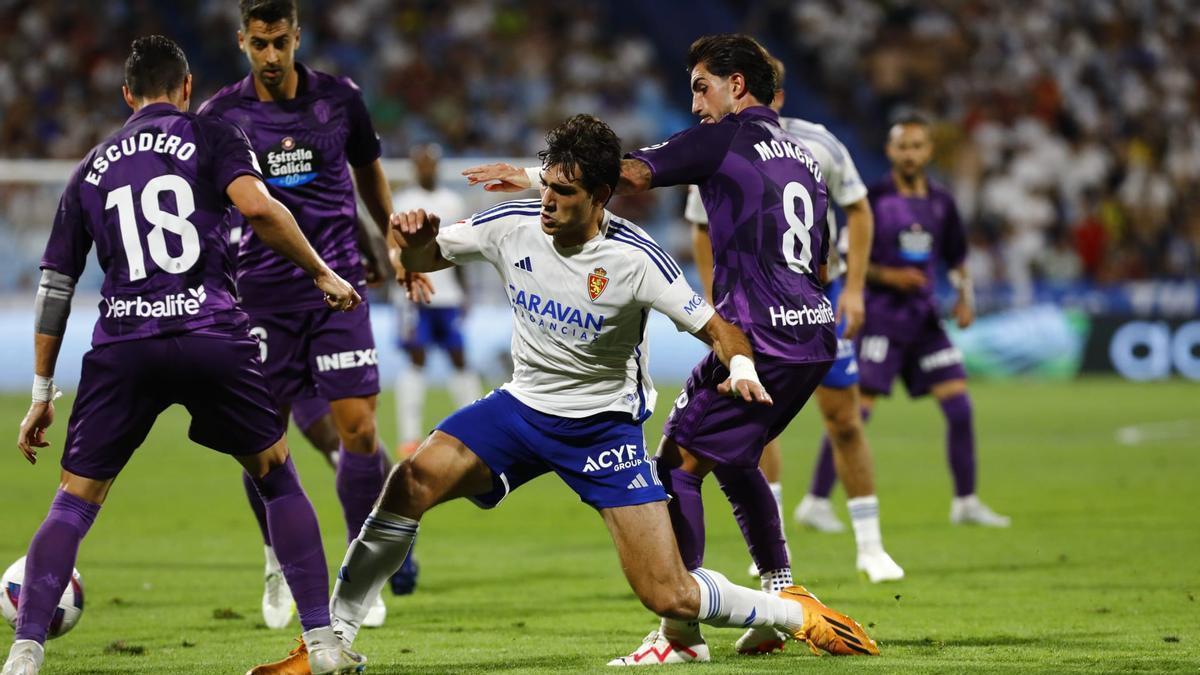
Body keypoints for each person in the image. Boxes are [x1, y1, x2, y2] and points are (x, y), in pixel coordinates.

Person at [248, 114, 876, 674]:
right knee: (410, 480)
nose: (546, 200)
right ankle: (331, 643)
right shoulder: (511, 224)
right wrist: (412, 235)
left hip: (602, 428)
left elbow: (719, 328)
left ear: (601, 196)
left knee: (670, 594)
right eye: (545, 183)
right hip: (521, 409)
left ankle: (796, 616)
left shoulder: (638, 261)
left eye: (564, 191)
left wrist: (740, 366)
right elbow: (423, 256)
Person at [463, 35, 879, 663]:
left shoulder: (728, 136)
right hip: (811, 330)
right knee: (736, 458)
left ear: (737, 85)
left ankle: (680, 633)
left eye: (700, 86)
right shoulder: (804, 153)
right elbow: (818, 253)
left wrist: (528, 175)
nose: (695, 104)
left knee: (678, 462)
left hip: (761, 334)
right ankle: (778, 591)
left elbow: (626, 173)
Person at [1, 36, 363, 675]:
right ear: (188, 87)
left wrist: (39, 392)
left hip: (125, 345)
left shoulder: (90, 165)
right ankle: (324, 644)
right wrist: (322, 272)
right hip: (210, 334)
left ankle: (24, 654)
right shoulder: (213, 134)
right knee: (276, 474)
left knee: (74, 502)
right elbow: (257, 207)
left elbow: (56, 283)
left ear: (126, 97)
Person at [198, 0, 397, 629]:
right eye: (259, 44)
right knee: (264, 443)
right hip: (258, 298)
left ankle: (359, 578)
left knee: (360, 431)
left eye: (280, 42)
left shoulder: (341, 99)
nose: (271, 57)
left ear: (296, 36)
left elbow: (369, 174)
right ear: (242, 41)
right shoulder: (221, 115)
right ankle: (276, 560)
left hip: (338, 288)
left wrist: (391, 245)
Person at [685, 54, 904, 593]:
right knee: (752, 431)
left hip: (813, 302)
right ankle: (773, 563)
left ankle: (871, 547)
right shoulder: (719, 143)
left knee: (845, 421)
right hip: (752, 313)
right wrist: (718, 305)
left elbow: (858, 207)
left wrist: (852, 289)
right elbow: (700, 227)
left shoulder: (820, 143)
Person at [842, 111, 1010, 527]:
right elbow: (848, 256)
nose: (910, 154)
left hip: (925, 320)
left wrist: (965, 298)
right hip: (881, 318)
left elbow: (957, 258)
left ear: (929, 151)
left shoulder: (941, 201)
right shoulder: (871, 199)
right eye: (903, 146)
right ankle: (817, 501)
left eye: (918, 146)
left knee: (959, 405)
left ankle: (966, 501)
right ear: (890, 150)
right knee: (854, 414)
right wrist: (888, 275)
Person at [392, 144, 482, 455]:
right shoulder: (403, 202)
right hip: (415, 295)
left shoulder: (452, 201)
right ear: (415, 167)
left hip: (449, 296)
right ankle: (409, 436)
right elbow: (392, 247)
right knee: (417, 359)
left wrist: (464, 291)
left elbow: (461, 251)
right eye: (422, 164)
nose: (427, 169)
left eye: (432, 164)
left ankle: (476, 430)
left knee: (459, 358)